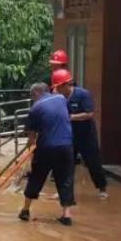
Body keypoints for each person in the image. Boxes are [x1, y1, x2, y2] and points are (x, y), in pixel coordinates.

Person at [20, 74, 75, 225]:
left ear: (37, 93)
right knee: (65, 179)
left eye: (32, 96)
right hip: (66, 146)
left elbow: (31, 139)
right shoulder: (62, 99)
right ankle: (66, 215)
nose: (33, 99)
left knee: (36, 176)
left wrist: (29, 148)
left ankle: (25, 210)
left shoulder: (35, 108)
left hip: (46, 147)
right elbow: (67, 117)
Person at [65, 78, 109, 199]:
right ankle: (65, 192)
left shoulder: (83, 94)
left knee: (93, 161)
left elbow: (89, 113)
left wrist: (70, 117)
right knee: (67, 163)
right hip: (69, 134)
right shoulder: (59, 96)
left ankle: (102, 187)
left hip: (86, 134)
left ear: (67, 85)